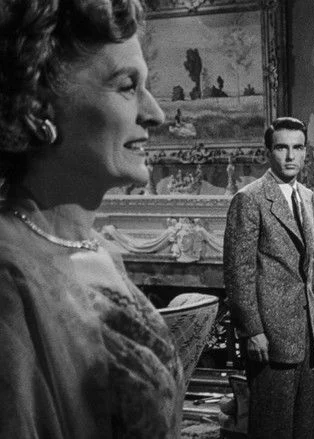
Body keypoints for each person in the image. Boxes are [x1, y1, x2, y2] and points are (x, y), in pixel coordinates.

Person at [0, 0, 183, 437]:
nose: (156, 114)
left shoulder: (98, 249)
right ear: (38, 107)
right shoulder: (9, 275)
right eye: (127, 86)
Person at [223, 117, 314, 438]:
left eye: (297, 148)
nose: (290, 156)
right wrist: (252, 330)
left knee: (310, 428)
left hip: (307, 333)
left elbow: (312, 263)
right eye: (282, 147)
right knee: (273, 429)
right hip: (270, 337)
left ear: (305, 152)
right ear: (268, 152)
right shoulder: (249, 199)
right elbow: (238, 272)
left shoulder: (307, 196)